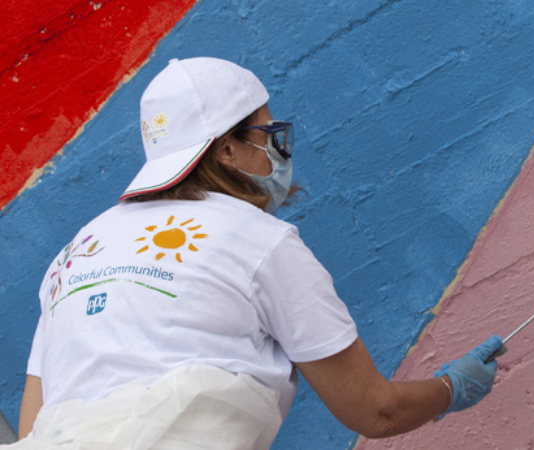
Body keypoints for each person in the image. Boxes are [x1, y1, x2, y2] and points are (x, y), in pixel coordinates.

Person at [12, 57, 501, 450]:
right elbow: (375, 411)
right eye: (269, 137)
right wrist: (450, 390)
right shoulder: (258, 241)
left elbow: (35, 427)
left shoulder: (75, 253)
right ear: (226, 150)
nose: (279, 153)